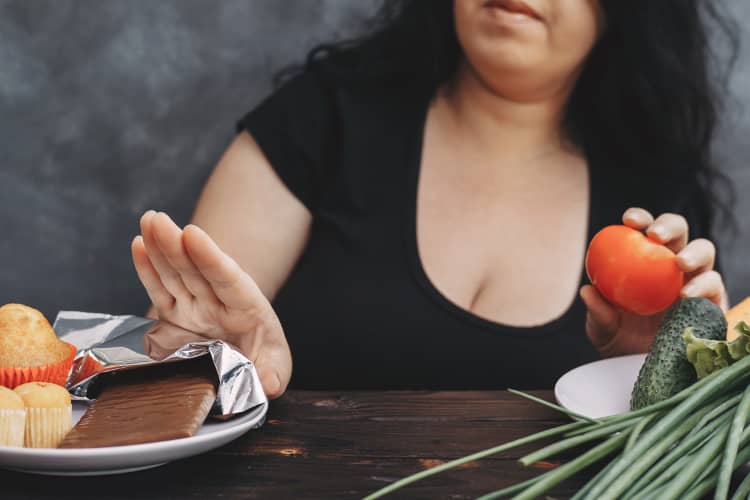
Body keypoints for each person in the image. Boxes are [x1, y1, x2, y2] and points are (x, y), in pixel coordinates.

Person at [130, 0, 736, 398]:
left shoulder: (658, 202)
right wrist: (200, 357)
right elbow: (180, 358)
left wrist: (650, 373)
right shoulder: (324, 116)